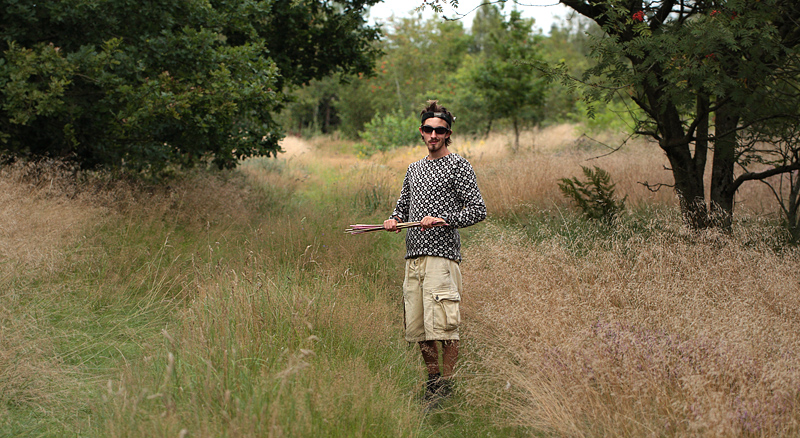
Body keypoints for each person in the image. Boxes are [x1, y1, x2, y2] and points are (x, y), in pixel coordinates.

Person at [383, 100, 486, 404]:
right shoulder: (413, 169)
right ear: (421, 131)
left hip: (442, 257)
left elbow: (478, 210)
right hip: (413, 258)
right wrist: (393, 221)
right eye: (428, 129)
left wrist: (445, 219)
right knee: (421, 328)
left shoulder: (459, 165)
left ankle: (448, 385)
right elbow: (401, 209)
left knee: (445, 327)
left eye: (439, 130)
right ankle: (433, 384)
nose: (433, 135)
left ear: (447, 133)